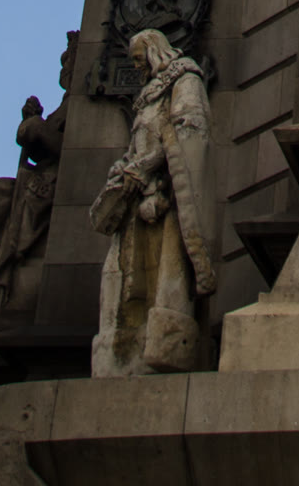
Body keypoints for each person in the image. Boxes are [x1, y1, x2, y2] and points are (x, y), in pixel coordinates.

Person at [89, 28, 215, 377]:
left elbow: (189, 132)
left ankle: (163, 351)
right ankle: (126, 356)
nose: (136, 66)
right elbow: (139, 145)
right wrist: (124, 170)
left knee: (165, 278)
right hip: (135, 200)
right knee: (126, 281)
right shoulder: (148, 95)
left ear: (154, 51)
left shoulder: (185, 80)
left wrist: (146, 168)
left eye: (138, 58)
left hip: (166, 199)